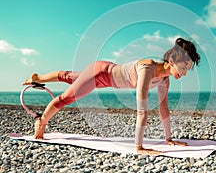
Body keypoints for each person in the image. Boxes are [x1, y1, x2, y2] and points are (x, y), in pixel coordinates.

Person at [23, 38, 200, 155]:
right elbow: (141, 111)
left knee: (70, 77)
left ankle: (37, 78)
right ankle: (41, 121)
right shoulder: (147, 69)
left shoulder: (165, 81)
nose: (184, 73)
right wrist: (139, 147)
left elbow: (163, 109)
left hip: (108, 76)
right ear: (171, 61)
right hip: (99, 72)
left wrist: (168, 139)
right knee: (67, 97)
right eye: (183, 68)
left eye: (187, 69)